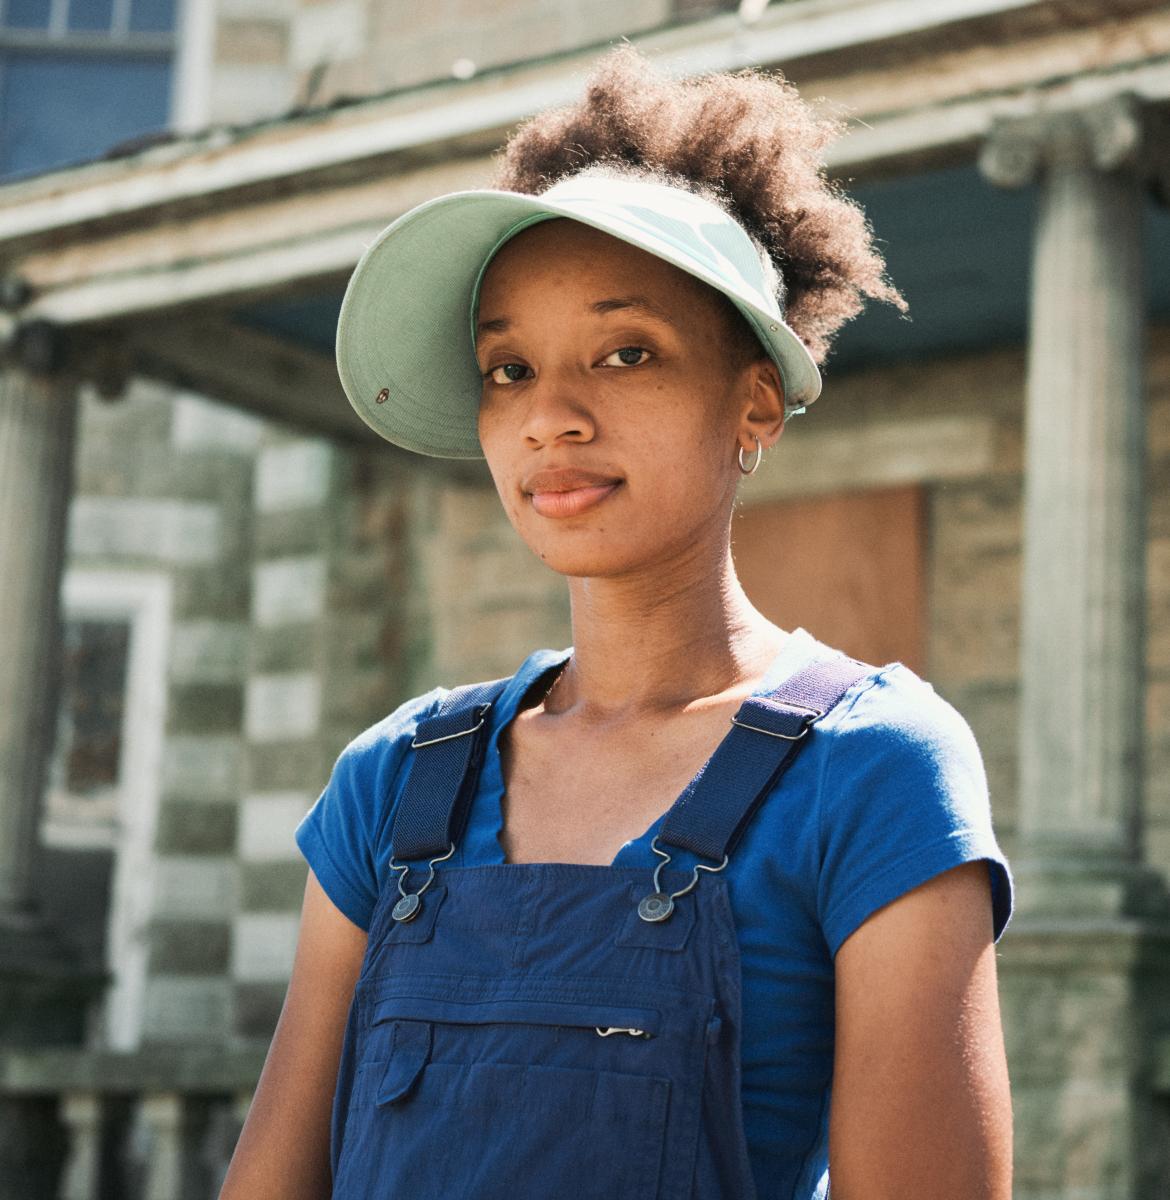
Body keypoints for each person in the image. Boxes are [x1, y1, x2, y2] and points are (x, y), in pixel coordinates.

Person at [219, 45, 1015, 1200]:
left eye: (627, 351)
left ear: (754, 403)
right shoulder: (391, 782)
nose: (551, 416)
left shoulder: (874, 771)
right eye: (508, 370)